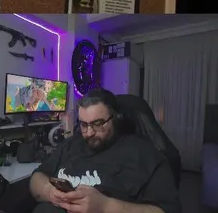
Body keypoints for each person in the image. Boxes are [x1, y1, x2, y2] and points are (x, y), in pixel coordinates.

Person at [29, 88, 180, 213]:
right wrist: (49, 191)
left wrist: (106, 206)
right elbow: (37, 177)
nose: (89, 133)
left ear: (116, 118)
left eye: (98, 123)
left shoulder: (146, 154)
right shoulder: (70, 145)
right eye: (83, 124)